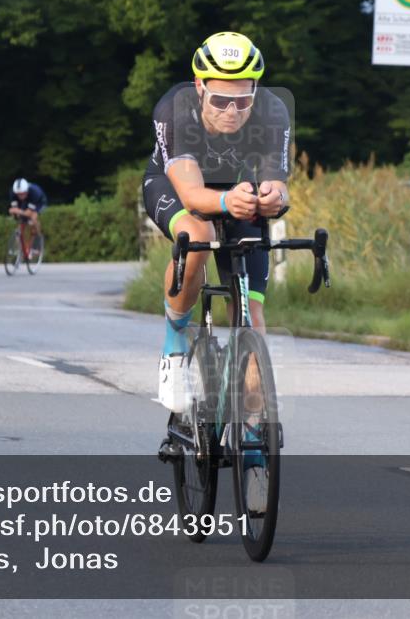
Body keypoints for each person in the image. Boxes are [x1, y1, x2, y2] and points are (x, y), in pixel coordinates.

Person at [143, 32, 290, 489]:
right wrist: (228, 202)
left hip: (237, 194)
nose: (232, 111)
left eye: (243, 101)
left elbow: (278, 181)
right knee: (198, 233)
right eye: (221, 100)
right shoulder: (176, 108)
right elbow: (192, 193)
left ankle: (252, 441)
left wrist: (273, 197)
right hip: (178, 188)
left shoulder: (272, 111)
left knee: (252, 318)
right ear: (199, 86)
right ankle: (174, 341)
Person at [8, 178, 47, 258]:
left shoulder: (34, 192)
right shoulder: (13, 193)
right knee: (21, 222)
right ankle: (21, 248)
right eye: (18, 194)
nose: (20, 196)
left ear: (26, 191)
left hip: (39, 202)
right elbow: (15, 210)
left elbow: (29, 213)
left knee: (32, 219)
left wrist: (17, 211)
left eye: (22, 194)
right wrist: (16, 214)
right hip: (26, 201)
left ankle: (37, 244)